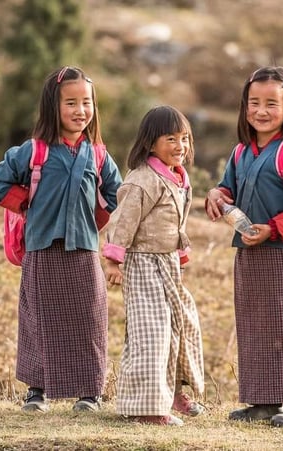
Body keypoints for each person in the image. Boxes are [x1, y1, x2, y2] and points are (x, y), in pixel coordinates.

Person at [0, 66, 122, 413]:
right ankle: (37, 391)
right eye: (71, 103)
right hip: (42, 246)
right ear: (52, 107)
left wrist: (94, 222)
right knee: (39, 319)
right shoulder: (34, 151)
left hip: (84, 249)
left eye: (87, 102)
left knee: (90, 319)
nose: (81, 111)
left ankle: (89, 393)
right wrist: (29, 207)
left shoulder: (98, 155)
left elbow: (116, 194)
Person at [204, 66, 283, 428]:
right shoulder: (241, 153)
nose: (261, 111)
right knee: (256, 326)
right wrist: (216, 195)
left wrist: (271, 230)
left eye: (271, 103)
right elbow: (228, 190)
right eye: (254, 102)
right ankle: (266, 402)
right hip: (249, 254)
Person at [102, 105, 205, 426]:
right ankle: (146, 407)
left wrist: (181, 255)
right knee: (152, 334)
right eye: (170, 139)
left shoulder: (178, 178)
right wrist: (113, 261)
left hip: (168, 264)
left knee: (180, 327)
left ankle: (171, 392)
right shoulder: (142, 180)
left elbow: (176, 222)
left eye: (185, 139)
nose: (180, 146)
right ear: (150, 144)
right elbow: (123, 221)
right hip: (143, 263)